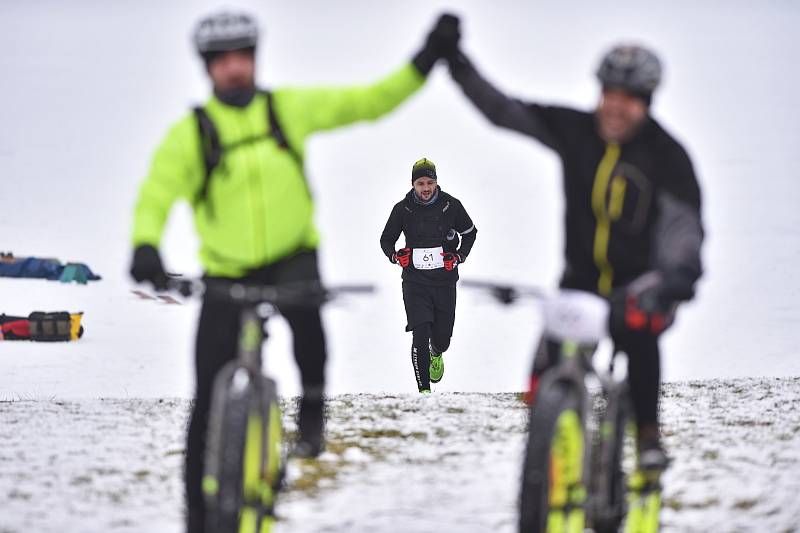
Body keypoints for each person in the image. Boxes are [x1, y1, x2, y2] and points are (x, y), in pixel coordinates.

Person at [129, 10, 459, 532]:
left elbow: (367, 102)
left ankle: (310, 418)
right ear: (208, 68)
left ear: (255, 59)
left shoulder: (287, 111)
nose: (235, 69)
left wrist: (424, 61)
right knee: (205, 404)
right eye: (223, 61)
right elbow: (157, 191)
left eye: (243, 57)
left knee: (309, 328)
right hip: (226, 270)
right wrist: (145, 244)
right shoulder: (194, 133)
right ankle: (196, 516)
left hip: (292, 257)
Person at [443, 26, 704, 470]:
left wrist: (675, 276)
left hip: (641, 287)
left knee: (640, 343)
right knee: (545, 367)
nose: (616, 106)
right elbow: (503, 110)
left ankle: (647, 437)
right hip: (578, 284)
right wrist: (456, 63)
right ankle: (548, 448)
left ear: (646, 101)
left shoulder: (667, 157)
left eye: (629, 97)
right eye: (609, 93)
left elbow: (683, 230)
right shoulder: (575, 131)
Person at [380, 158, 478, 393]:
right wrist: (396, 256)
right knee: (420, 331)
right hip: (415, 283)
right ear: (413, 185)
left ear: (436, 183)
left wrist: (458, 256)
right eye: (420, 183)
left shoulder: (451, 206)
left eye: (430, 182)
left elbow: (471, 233)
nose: (426, 188)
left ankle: (437, 352)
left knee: (442, 339)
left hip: (444, 283)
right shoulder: (402, 209)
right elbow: (386, 240)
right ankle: (424, 391)